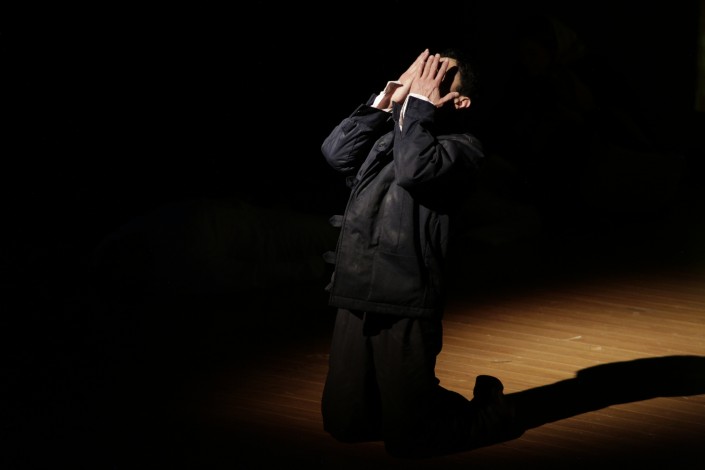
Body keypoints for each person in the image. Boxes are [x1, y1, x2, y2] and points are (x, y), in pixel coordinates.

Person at [319, 48, 524, 458]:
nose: (424, 85)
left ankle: (492, 411)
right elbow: (336, 152)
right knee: (345, 423)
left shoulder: (463, 148)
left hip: (405, 296)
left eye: (439, 80)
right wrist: (389, 98)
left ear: (460, 102)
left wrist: (416, 108)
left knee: (413, 440)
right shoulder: (390, 134)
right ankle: (416, 402)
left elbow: (415, 169)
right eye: (422, 74)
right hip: (355, 287)